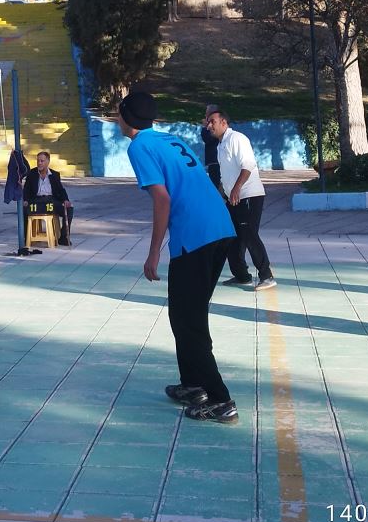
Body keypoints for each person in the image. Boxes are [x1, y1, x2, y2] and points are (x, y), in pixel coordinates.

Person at [117, 92, 239, 423]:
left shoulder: (139, 146)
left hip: (196, 236)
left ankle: (220, 399)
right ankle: (193, 384)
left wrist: (153, 252)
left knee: (188, 321)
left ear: (126, 117)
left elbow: (162, 200)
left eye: (118, 113)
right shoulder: (168, 139)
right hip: (220, 227)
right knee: (185, 315)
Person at [207, 110, 276, 290]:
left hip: (249, 195)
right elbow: (225, 177)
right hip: (233, 198)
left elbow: (248, 165)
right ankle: (242, 276)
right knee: (231, 237)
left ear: (224, 122)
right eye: (207, 122)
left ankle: (266, 276)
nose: (209, 126)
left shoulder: (237, 139)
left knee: (249, 235)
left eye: (212, 121)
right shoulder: (220, 145)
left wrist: (237, 188)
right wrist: (219, 196)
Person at [22, 150, 73, 246]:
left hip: (51, 201)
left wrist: (66, 200)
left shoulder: (54, 175)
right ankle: (27, 237)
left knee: (69, 209)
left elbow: (61, 190)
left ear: (48, 162)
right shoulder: (32, 174)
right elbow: (26, 189)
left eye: (42, 161)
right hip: (36, 201)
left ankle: (63, 238)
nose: (39, 163)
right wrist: (25, 200)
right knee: (24, 210)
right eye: (38, 161)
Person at [201, 103, 223, 191]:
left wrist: (205, 127)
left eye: (207, 113)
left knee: (216, 187)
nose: (205, 115)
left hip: (216, 160)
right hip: (214, 161)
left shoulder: (216, 125)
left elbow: (208, 139)